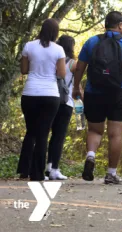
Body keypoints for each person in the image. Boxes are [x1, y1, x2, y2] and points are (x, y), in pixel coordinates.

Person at [73, 11, 122, 184]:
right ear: (120, 25)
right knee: (115, 135)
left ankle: (91, 155)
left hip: (94, 92)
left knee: (94, 130)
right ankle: (111, 173)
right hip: (118, 94)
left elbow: (79, 67)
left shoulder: (92, 42)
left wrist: (76, 87)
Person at [17, 18, 66, 181]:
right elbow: (61, 74)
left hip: (30, 93)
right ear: (55, 32)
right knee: (43, 134)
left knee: (31, 131)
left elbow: (24, 70)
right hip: (50, 95)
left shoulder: (29, 46)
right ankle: (37, 174)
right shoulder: (59, 49)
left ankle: (24, 170)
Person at [46, 35, 78, 180]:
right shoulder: (73, 63)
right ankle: (55, 169)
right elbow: (78, 86)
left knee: (45, 134)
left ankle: (46, 167)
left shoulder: (52, 61)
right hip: (66, 102)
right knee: (58, 136)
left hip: (50, 99)